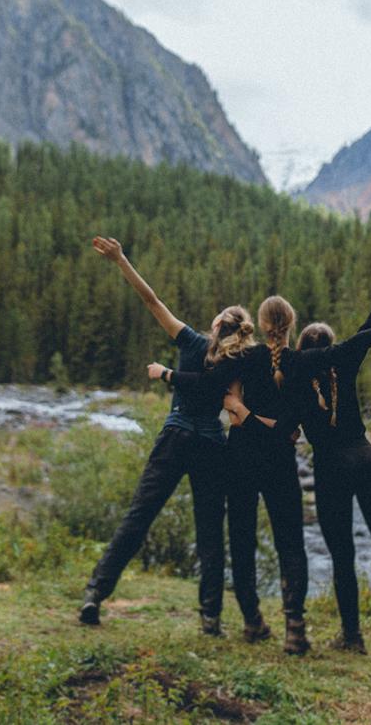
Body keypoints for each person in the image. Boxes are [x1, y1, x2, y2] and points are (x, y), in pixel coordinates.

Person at [152, 288, 371, 655]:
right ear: (291, 325)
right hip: (280, 462)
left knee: (242, 539)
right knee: (291, 544)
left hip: (241, 457)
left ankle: (253, 622)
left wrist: (170, 375)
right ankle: (295, 627)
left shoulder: (244, 358)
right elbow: (354, 344)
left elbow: (207, 385)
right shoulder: (301, 364)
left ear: (261, 325)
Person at [265, 253, 371, 658]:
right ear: (331, 347)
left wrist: (245, 418)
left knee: (342, 553)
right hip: (366, 459)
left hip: (330, 469)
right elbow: (368, 328)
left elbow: (283, 429)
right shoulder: (344, 361)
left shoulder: (292, 380)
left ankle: (352, 636)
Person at [79, 236, 252, 636]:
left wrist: (122, 260)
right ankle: (210, 618)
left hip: (175, 437)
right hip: (211, 445)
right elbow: (231, 403)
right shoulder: (237, 361)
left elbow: (152, 300)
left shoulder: (191, 341)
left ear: (215, 326)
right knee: (210, 531)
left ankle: (94, 594)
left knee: (139, 516)